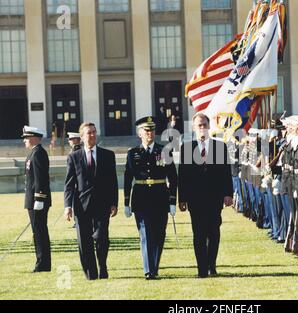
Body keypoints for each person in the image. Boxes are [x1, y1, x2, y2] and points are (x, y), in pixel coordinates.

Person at [178, 113, 233, 278]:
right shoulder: (187, 148)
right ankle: (202, 268)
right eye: (198, 125)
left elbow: (226, 172)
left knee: (214, 232)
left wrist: (228, 194)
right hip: (195, 199)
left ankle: (211, 265)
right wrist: (182, 198)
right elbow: (183, 175)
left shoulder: (219, 147)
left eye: (204, 125)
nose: (202, 128)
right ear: (194, 128)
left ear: (209, 126)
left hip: (214, 198)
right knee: (199, 233)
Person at [124, 116, 178, 280]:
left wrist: (172, 200)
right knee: (145, 234)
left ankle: (154, 266)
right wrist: (126, 202)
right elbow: (128, 178)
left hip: (160, 196)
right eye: (146, 130)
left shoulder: (164, 151)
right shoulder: (133, 153)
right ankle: (149, 270)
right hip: (141, 198)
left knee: (159, 234)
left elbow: (173, 177)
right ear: (140, 133)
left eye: (152, 130)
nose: (150, 133)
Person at [64, 123, 118, 280]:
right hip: (81, 205)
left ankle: (103, 265)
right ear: (82, 137)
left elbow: (113, 181)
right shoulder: (74, 157)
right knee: (84, 241)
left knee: (102, 237)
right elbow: (69, 184)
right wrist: (67, 206)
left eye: (94, 132)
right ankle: (91, 273)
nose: (93, 135)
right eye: (89, 133)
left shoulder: (107, 155)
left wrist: (114, 202)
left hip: (102, 204)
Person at [22, 126, 52, 273]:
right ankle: (41, 262)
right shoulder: (33, 153)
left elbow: (41, 178)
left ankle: (43, 264)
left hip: (37, 201)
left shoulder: (39, 153)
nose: (25, 141)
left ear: (34, 138)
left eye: (27, 138)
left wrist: (39, 198)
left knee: (40, 232)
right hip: (32, 200)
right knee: (38, 232)